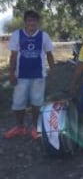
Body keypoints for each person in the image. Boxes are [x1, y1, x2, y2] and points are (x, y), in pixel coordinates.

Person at [4, 10, 54, 140]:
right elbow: (13, 56)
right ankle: (20, 127)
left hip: (38, 76)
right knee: (18, 103)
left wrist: (53, 70)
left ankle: (35, 127)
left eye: (34, 20)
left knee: (37, 102)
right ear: (25, 22)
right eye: (29, 20)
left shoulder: (44, 36)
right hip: (21, 76)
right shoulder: (17, 35)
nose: (32, 23)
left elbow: (49, 54)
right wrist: (11, 73)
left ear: (37, 22)